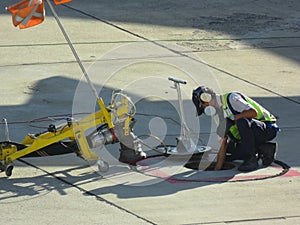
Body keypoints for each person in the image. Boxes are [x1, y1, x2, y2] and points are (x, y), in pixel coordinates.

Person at [192, 86, 280, 172]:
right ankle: (265, 148)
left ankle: (251, 160)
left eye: (203, 106)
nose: (204, 109)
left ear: (207, 98)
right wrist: (217, 169)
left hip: (266, 129)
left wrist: (233, 118)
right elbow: (223, 144)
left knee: (242, 121)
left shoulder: (231, 99)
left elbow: (253, 112)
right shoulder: (217, 116)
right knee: (230, 153)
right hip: (248, 135)